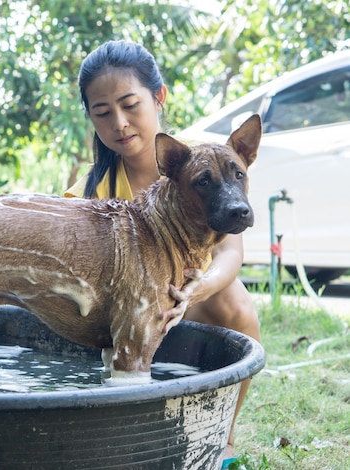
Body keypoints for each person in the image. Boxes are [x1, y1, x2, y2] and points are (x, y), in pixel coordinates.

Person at [64, 40, 261, 465]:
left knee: (236, 302)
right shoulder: (90, 191)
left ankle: (223, 441)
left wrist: (198, 288)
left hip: (185, 306)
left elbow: (230, 251)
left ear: (159, 97)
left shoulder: (205, 162)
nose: (119, 122)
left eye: (130, 104)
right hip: (119, 316)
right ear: (91, 118)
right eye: (102, 113)